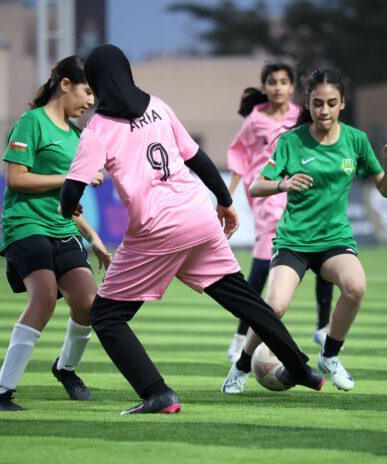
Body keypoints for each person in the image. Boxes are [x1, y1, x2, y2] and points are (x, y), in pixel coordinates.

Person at [59, 44, 325, 415]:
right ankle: (301, 368)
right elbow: (196, 157)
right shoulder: (157, 106)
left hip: (155, 231)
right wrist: (225, 201)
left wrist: (68, 207)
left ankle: (157, 393)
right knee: (245, 300)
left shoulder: (98, 129)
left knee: (106, 316)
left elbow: (73, 188)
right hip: (198, 216)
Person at [221, 68, 387, 393]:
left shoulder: (356, 140)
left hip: (334, 240)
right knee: (274, 307)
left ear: (342, 103)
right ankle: (241, 365)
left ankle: (329, 356)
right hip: (294, 241)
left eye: (331, 103)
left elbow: (386, 191)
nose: (324, 110)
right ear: (308, 103)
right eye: (318, 103)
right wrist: (284, 183)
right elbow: (257, 185)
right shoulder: (291, 141)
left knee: (356, 287)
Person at [0, 56, 112, 411]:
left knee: (88, 304)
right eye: (87, 92)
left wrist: (95, 240)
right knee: (43, 299)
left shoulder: (78, 137)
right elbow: (16, 179)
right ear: (65, 84)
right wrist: (72, 178)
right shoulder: (31, 122)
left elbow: (68, 203)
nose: (90, 102)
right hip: (25, 226)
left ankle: (65, 368)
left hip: (62, 228)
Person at [225, 63, 334, 363]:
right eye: (272, 82)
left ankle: (323, 327)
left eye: (283, 82)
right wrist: (229, 194)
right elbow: (239, 156)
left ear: (291, 87)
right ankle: (240, 337)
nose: (278, 87)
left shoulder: (300, 116)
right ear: (265, 87)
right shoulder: (255, 120)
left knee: (325, 252)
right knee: (261, 269)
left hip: (300, 192)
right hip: (267, 196)